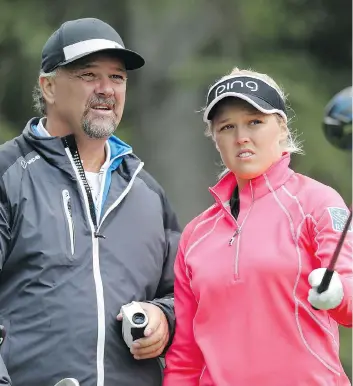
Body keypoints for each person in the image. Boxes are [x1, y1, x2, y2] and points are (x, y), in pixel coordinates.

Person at [0, 18, 180, 386]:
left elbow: (182, 293)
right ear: (48, 87)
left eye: (117, 78)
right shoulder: (8, 174)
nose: (106, 89)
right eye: (88, 75)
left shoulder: (146, 191)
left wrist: (164, 317)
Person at [163, 68, 352, 385]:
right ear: (215, 139)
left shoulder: (318, 203)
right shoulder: (196, 235)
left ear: (281, 126)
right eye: (227, 127)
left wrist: (338, 294)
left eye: (255, 121)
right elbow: (185, 358)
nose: (241, 137)